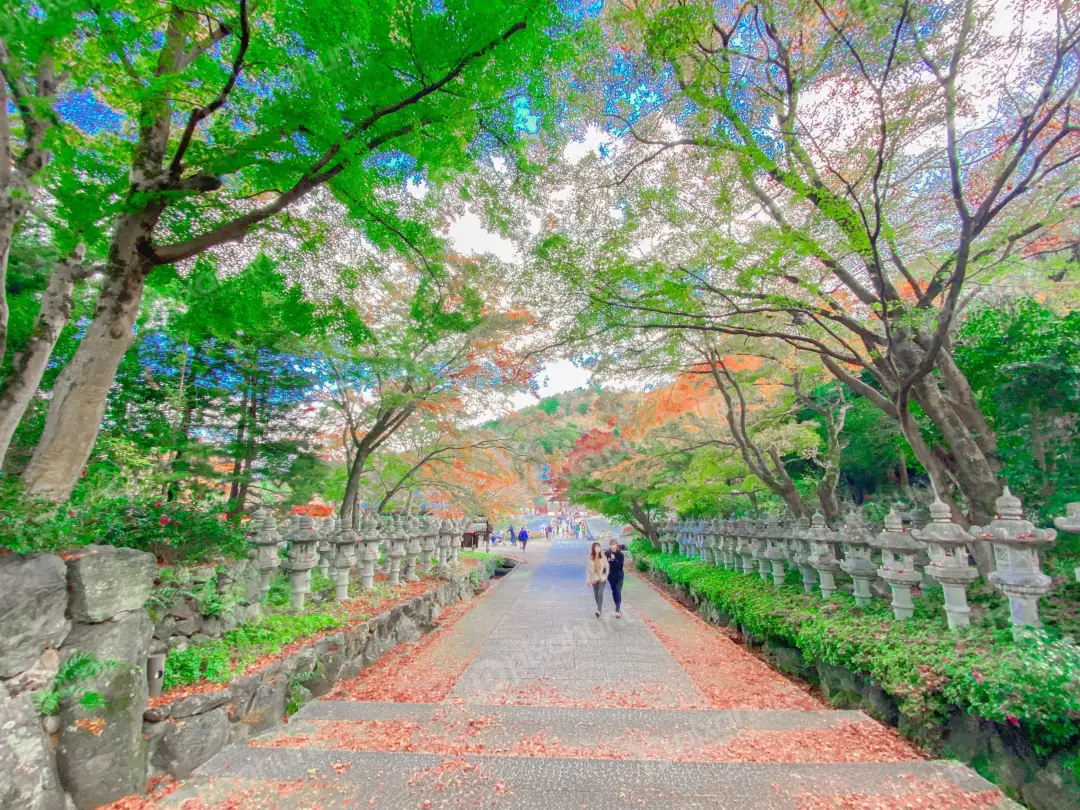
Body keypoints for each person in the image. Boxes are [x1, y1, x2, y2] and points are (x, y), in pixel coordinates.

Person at [585, 541, 610, 618]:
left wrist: (606, 576)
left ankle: (598, 610)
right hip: (594, 578)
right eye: (596, 547)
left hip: (602, 578)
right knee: (596, 594)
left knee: (600, 593)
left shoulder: (603, 557)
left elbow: (607, 566)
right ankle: (599, 608)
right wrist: (588, 580)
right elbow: (588, 570)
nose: (598, 548)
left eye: (599, 547)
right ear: (593, 549)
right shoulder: (590, 558)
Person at [605, 539, 628, 619]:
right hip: (611, 576)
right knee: (614, 591)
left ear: (617, 545)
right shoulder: (607, 553)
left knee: (618, 590)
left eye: (614, 544)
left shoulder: (620, 554)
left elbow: (620, 566)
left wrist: (614, 559)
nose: (613, 546)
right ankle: (616, 604)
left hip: (619, 576)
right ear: (610, 545)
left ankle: (617, 610)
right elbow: (604, 564)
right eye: (611, 545)